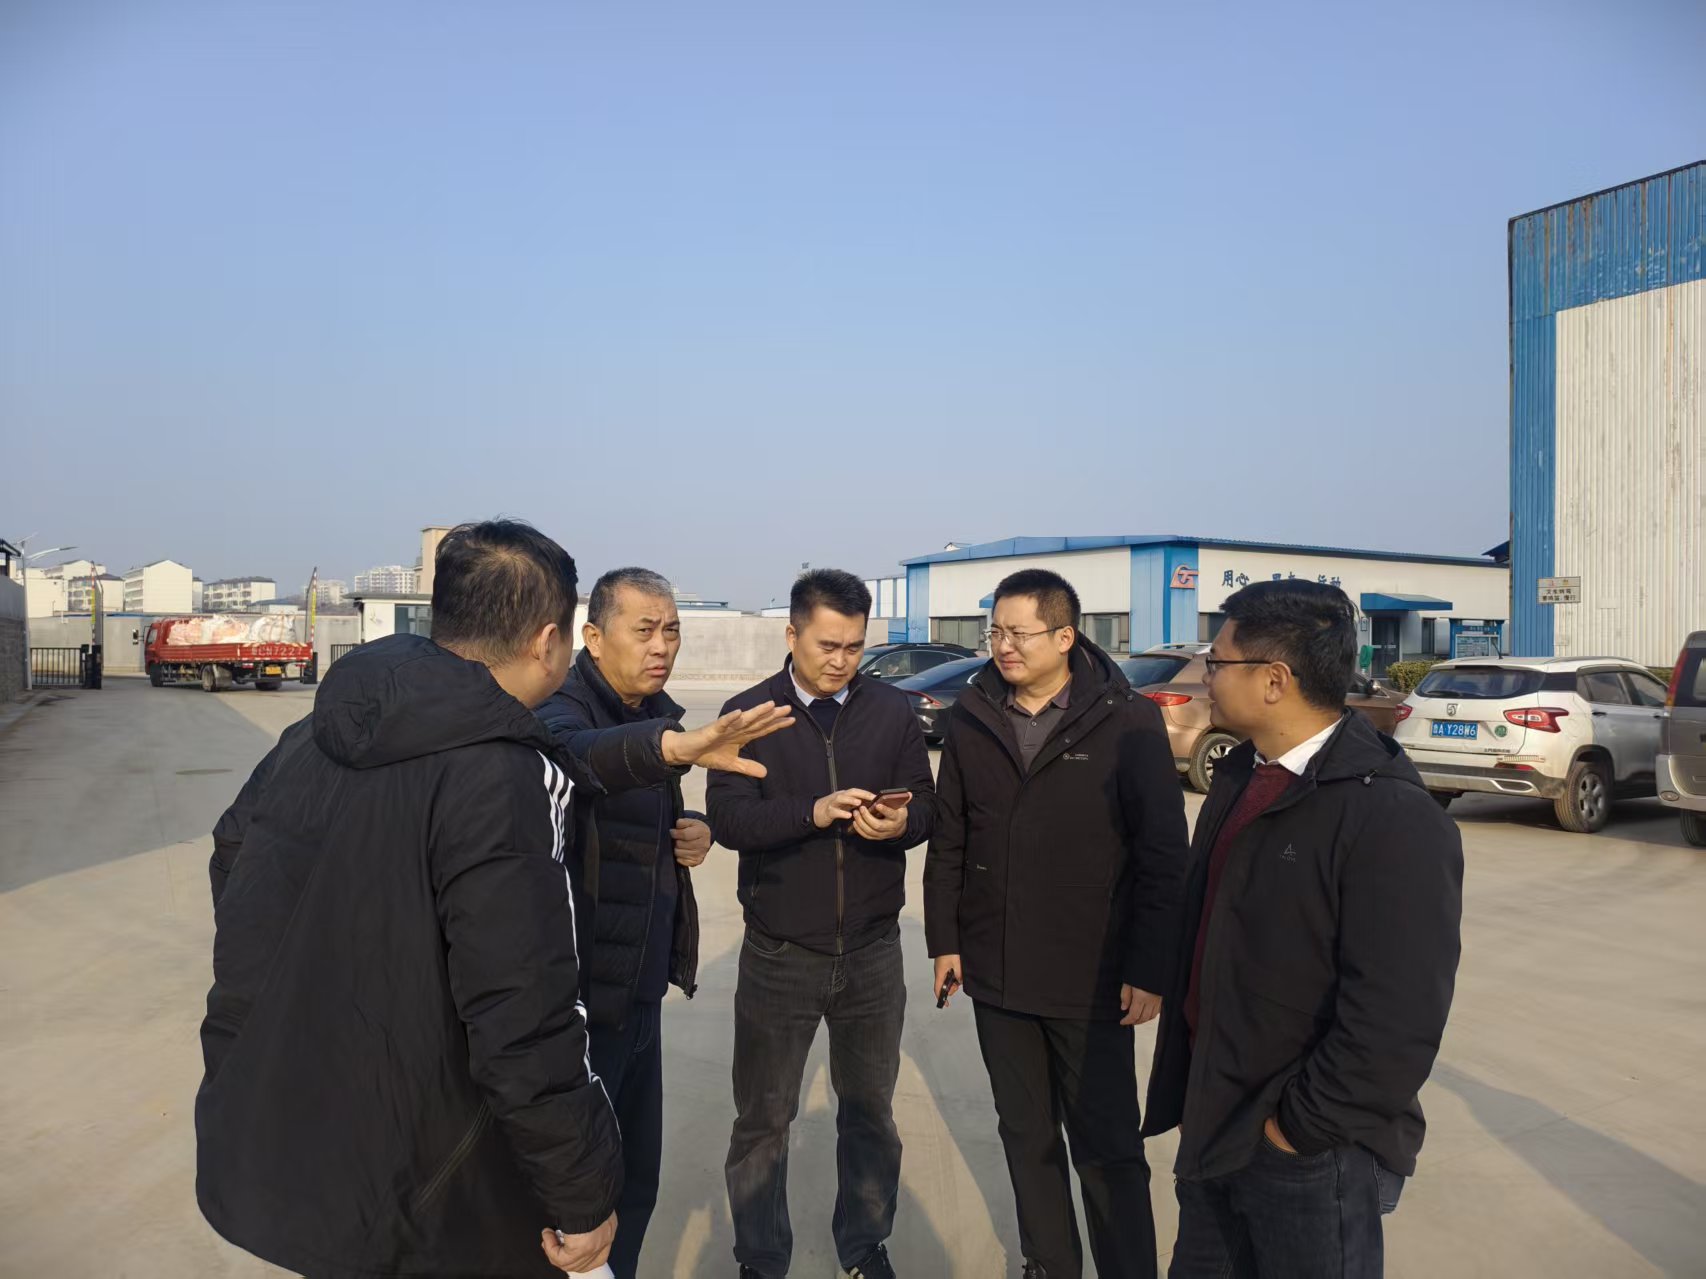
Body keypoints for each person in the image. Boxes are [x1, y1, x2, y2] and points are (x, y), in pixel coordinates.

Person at [197, 520, 792, 1279]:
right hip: (427, 1165)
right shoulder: (502, 772)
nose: (660, 645)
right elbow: (521, 1011)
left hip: (294, 1134)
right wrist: (582, 1195)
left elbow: (235, 864)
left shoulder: (314, 732)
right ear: (553, 640)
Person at [1142, 579, 1463, 1279]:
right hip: (1215, 1114)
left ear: (1274, 680)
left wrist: (1296, 1130)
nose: (1206, 676)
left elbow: (1397, 1020)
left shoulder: (1389, 816)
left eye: (1218, 662)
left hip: (1308, 1149)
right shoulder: (1240, 776)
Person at [923, 568, 1189, 1279]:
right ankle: (1049, 1264)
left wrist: (1150, 967)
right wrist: (946, 940)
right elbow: (951, 837)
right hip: (997, 968)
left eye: (1019, 633)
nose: (1003, 646)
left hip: (1091, 973)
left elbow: (1164, 855)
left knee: (1107, 1149)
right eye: (996, 632)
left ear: (1065, 636)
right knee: (1026, 1137)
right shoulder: (973, 714)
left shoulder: (1126, 720)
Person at [707, 569, 938, 1279]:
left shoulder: (891, 710)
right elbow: (729, 820)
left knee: (869, 1113)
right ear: (792, 634)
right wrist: (811, 812)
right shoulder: (749, 713)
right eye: (827, 645)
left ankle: (863, 1248)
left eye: (854, 647)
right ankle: (761, 1257)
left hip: (872, 951)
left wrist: (900, 824)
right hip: (781, 953)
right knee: (763, 1120)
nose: (841, 660)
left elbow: (926, 805)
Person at [535, 567, 711, 1279]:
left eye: (672, 630)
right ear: (593, 636)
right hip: (584, 1004)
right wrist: (672, 748)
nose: (662, 645)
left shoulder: (658, 711)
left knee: (638, 1180)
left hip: (641, 991)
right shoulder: (560, 709)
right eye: (644, 630)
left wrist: (693, 828)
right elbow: (581, 760)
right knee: (580, 1196)